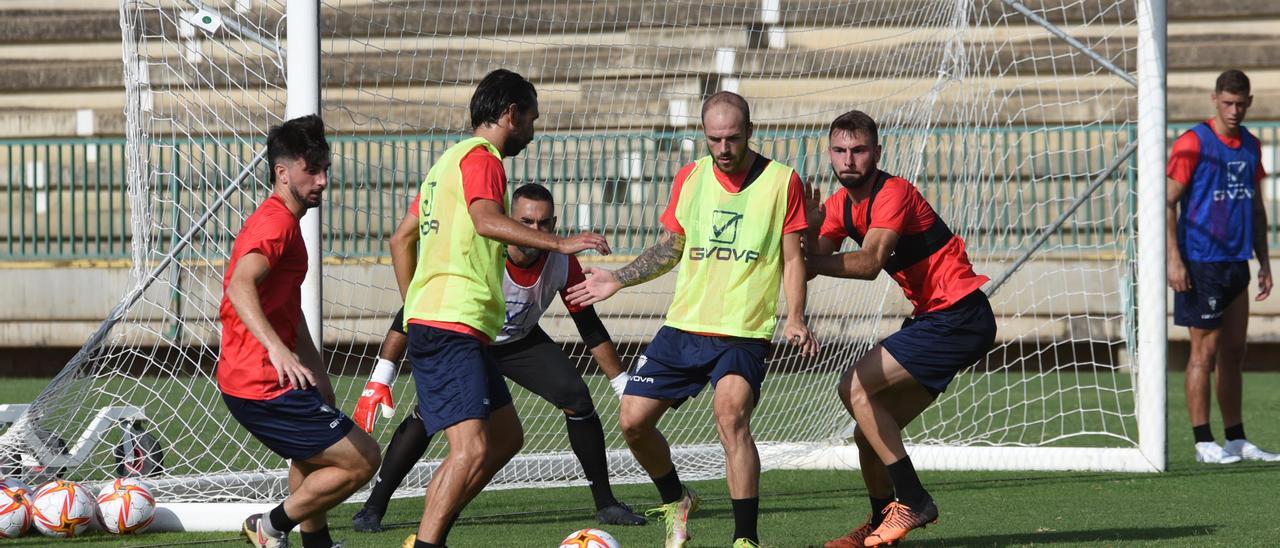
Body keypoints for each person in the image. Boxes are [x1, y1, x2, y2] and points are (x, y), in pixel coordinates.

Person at [567, 91, 819, 548]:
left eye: (733, 138)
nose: (723, 148)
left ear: (750, 132)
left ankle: (746, 539)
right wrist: (619, 279)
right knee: (632, 422)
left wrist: (796, 316)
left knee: (731, 417)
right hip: (684, 327)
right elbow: (672, 246)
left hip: (744, 331)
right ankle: (677, 499)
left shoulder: (783, 181)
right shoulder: (691, 176)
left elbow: (793, 257)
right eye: (714, 139)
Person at [389, 69, 610, 548]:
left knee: (506, 437)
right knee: (469, 451)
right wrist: (560, 242)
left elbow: (400, 238)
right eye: (531, 119)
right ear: (511, 114)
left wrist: (416, 301)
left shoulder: (445, 163)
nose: (533, 130)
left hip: (451, 323)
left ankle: (429, 534)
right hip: (451, 323)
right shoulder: (484, 159)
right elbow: (486, 220)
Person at [349, 183, 645, 532]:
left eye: (545, 224)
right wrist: (381, 375)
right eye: (527, 222)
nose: (536, 231)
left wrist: (622, 385)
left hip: (520, 342)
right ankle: (373, 507)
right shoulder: (480, 251)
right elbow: (412, 307)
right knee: (430, 415)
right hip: (469, 339)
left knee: (577, 398)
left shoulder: (562, 260)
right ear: (507, 221)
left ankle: (606, 504)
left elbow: (589, 325)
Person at [808, 110, 995, 548]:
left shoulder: (894, 192)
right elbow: (812, 259)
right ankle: (879, 525)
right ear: (830, 154)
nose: (848, 159)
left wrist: (806, 259)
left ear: (877, 152)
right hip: (937, 319)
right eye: (840, 151)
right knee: (867, 432)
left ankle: (913, 499)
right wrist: (808, 233)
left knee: (852, 387)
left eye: (858, 150)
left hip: (959, 314)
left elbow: (870, 262)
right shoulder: (837, 206)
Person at [218, 114, 381, 548]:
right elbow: (238, 285)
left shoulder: (285, 222)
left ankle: (317, 544)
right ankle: (268, 527)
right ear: (282, 173)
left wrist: (315, 368)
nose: (323, 180)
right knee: (363, 459)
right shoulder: (277, 225)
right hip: (261, 383)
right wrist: (277, 350)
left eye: (326, 169)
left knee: (313, 457)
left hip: (268, 376)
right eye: (312, 170)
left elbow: (288, 307)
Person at [1167, 69, 1279, 464]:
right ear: (1214, 99)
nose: (1233, 110)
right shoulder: (1193, 142)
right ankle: (1202, 442)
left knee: (1234, 352)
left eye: (1240, 103)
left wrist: (1264, 260)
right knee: (1204, 352)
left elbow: (1257, 206)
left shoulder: (1250, 145)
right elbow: (1167, 201)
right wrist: (1173, 258)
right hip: (1201, 261)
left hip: (1236, 261)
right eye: (1227, 102)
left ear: (1250, 102)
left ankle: (1235, 438)